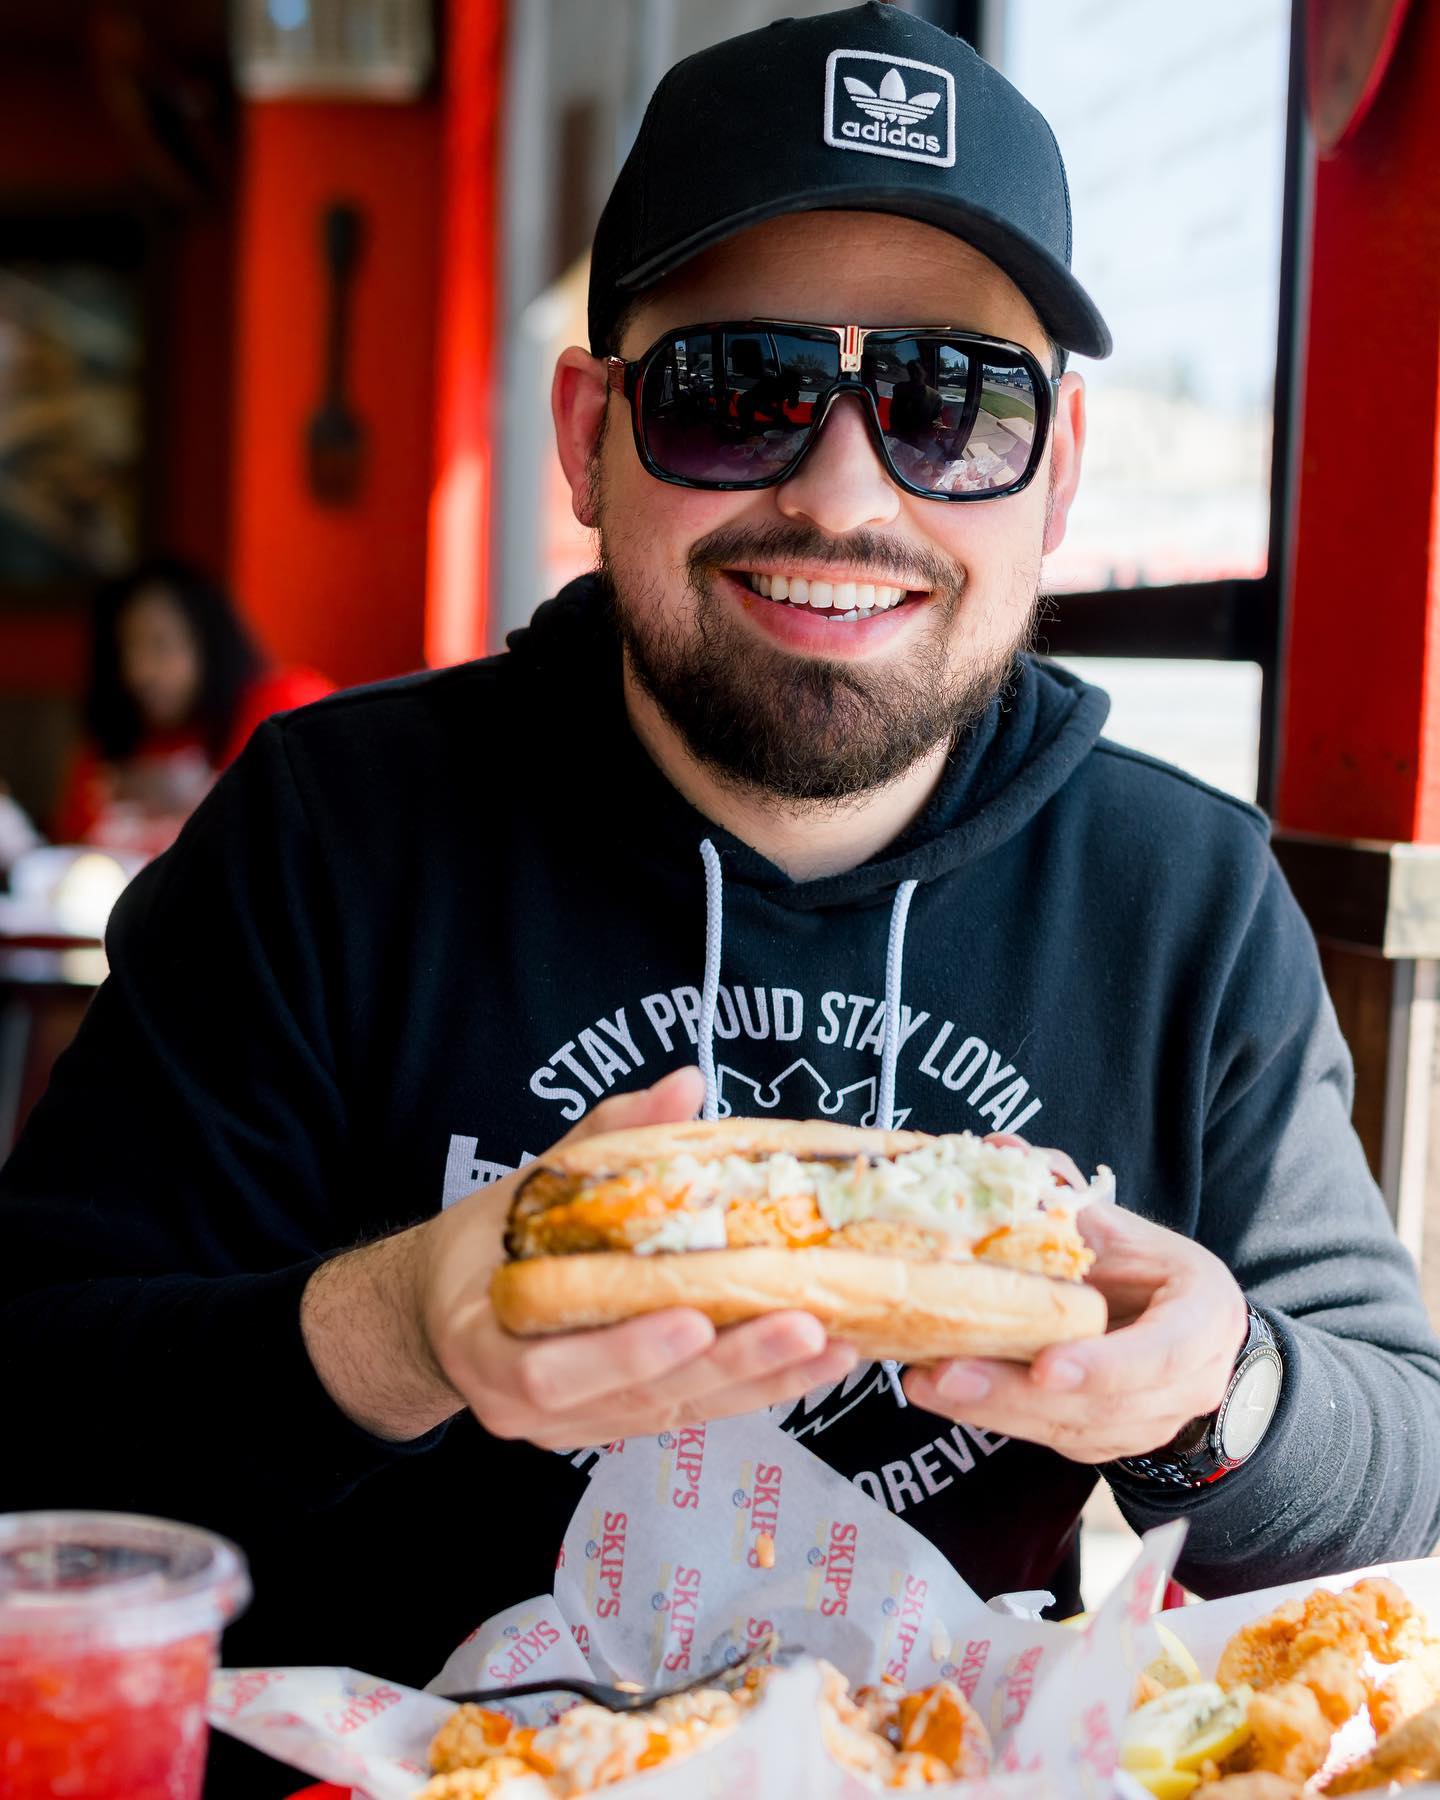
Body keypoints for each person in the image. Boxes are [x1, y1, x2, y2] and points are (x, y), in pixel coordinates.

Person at [3, 7, 1438, 1794]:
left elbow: (1403, 1463)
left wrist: (1214, 1394)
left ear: (1058, 472)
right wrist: (405, 1327)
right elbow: (34, 1404)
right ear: (589, 434)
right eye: (734, 391)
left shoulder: (1186, 897)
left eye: (950, 404)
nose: (841, 495)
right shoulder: (325, 834)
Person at [51, 556, 334, 857]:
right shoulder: (107, 753)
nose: (139, 672)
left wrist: (195, 801)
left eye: (160, 645)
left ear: (208, 642)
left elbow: (328, 817)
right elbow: (65, 858)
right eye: (124, 650)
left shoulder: (282, 707)